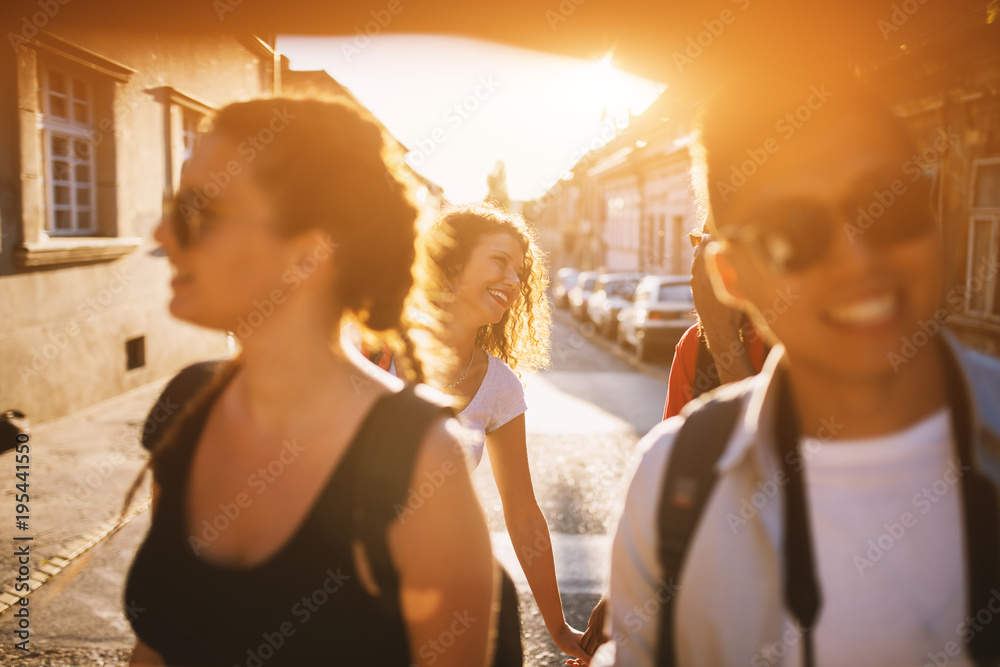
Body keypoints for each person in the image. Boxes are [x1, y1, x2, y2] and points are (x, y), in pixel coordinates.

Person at [593, 67, 1000, 666]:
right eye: (794, 234)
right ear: (730, 277)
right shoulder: (674, 484)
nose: (857, 260)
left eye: (886, 206)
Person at [123, 98, 494, 667]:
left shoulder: (418, 462)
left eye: (201, 210)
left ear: (308, 254)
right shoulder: (190, 402)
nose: (163, 233)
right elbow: (160, 645)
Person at [412, 204, 591, 664]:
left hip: (441, 589)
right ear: (450, 262)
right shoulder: (375, 351)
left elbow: (524, 514)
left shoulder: (499, 387)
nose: (513, 280)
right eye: (499, 261)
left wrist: (558, 626)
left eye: (520, 269)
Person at [661, 231, 768, 420]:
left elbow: (771, 441)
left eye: (719, 243)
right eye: (702, 242)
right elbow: (679, 446)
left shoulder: (804, 336)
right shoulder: (694, 343)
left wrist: (721, 334)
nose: (707, 259)